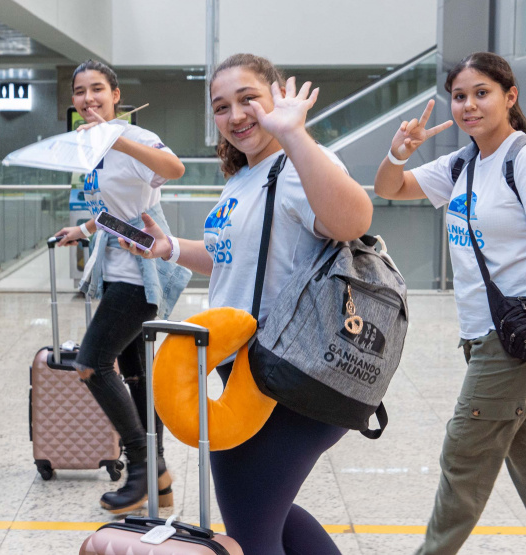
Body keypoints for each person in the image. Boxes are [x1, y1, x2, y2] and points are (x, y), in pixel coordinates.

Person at [121, 53, 373, 555]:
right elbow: (231, 261)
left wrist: (296, 135)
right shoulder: (247, 176)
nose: (235, 116)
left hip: (294, 376)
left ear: (278, 96)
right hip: (251, 371)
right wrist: (168, 248)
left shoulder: (299, 166)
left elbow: (353, 221)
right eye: (221, 106)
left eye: (247, 99)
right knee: (265, 516)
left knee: (252, 531)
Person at [373, 52, 526, 554]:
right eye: (459, 96)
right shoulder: (464, 163)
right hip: (482, 334)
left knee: (462, 459)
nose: (469, 104)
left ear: (509, 97)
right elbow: (390, 187)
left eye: (481, 93)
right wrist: (399, 153)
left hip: (517, 338)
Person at [53, 59, 189, 514]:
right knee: (135, 376)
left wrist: (121, 138)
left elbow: (174, 168)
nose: (87, 98)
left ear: (115, 95)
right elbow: (117, 210)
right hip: (115, 269)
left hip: (140, 275)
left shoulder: (136, 138)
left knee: (92, 363)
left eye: (97, 89)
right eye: (79, 91)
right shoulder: (89, 147)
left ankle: (142, 468)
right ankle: (159, 480)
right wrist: (87, 229)